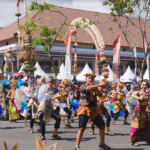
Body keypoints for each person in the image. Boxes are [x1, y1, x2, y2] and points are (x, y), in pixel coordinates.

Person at [75, 72, 111, 150]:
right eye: (89, 78)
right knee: (82, 128)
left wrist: (97, 87)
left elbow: (100, 95)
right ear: (86, 79)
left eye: (92, 78)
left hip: (93, 109)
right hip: (84, 108)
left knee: (102, 125)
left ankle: (102, 143)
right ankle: (77, 146)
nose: (91, 79)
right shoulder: (83, 86)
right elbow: (88, 88)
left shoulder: (94, 88)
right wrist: (99, 85)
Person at [129, 81, 150, 146]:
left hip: (146, 111)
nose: (144, 86)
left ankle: (147, 139)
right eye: (143, 84)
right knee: (136, 125)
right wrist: (139, 97)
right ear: (140, 86)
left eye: (145, 85)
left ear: (147, 86)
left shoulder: (148, 93)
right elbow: (133, 95)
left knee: (147, 125)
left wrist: (148, 106)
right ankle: (133, 140)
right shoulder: (139, 92)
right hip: (138, 111)